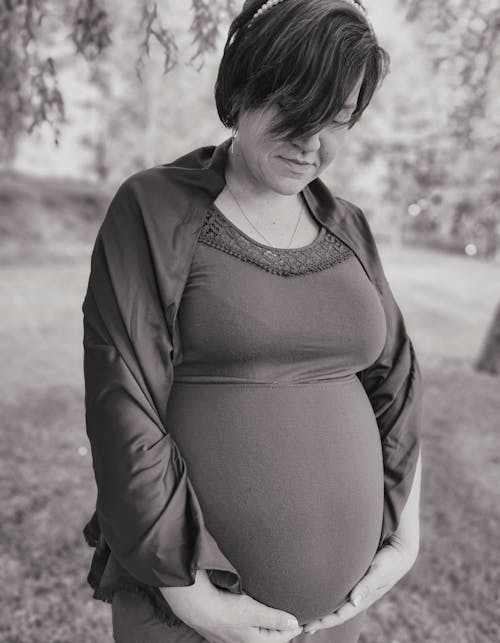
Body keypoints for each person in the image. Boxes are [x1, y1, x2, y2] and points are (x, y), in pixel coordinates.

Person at [81, 1, 423, 642]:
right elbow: (119, 404)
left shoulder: (348, 225)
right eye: (296, 116)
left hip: (336, 617)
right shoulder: (152, 208)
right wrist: (193, 601)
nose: (313, 146)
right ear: (241, 91)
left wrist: (405, 537)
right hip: (185, 611)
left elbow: (397, 385)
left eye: (339, 122)